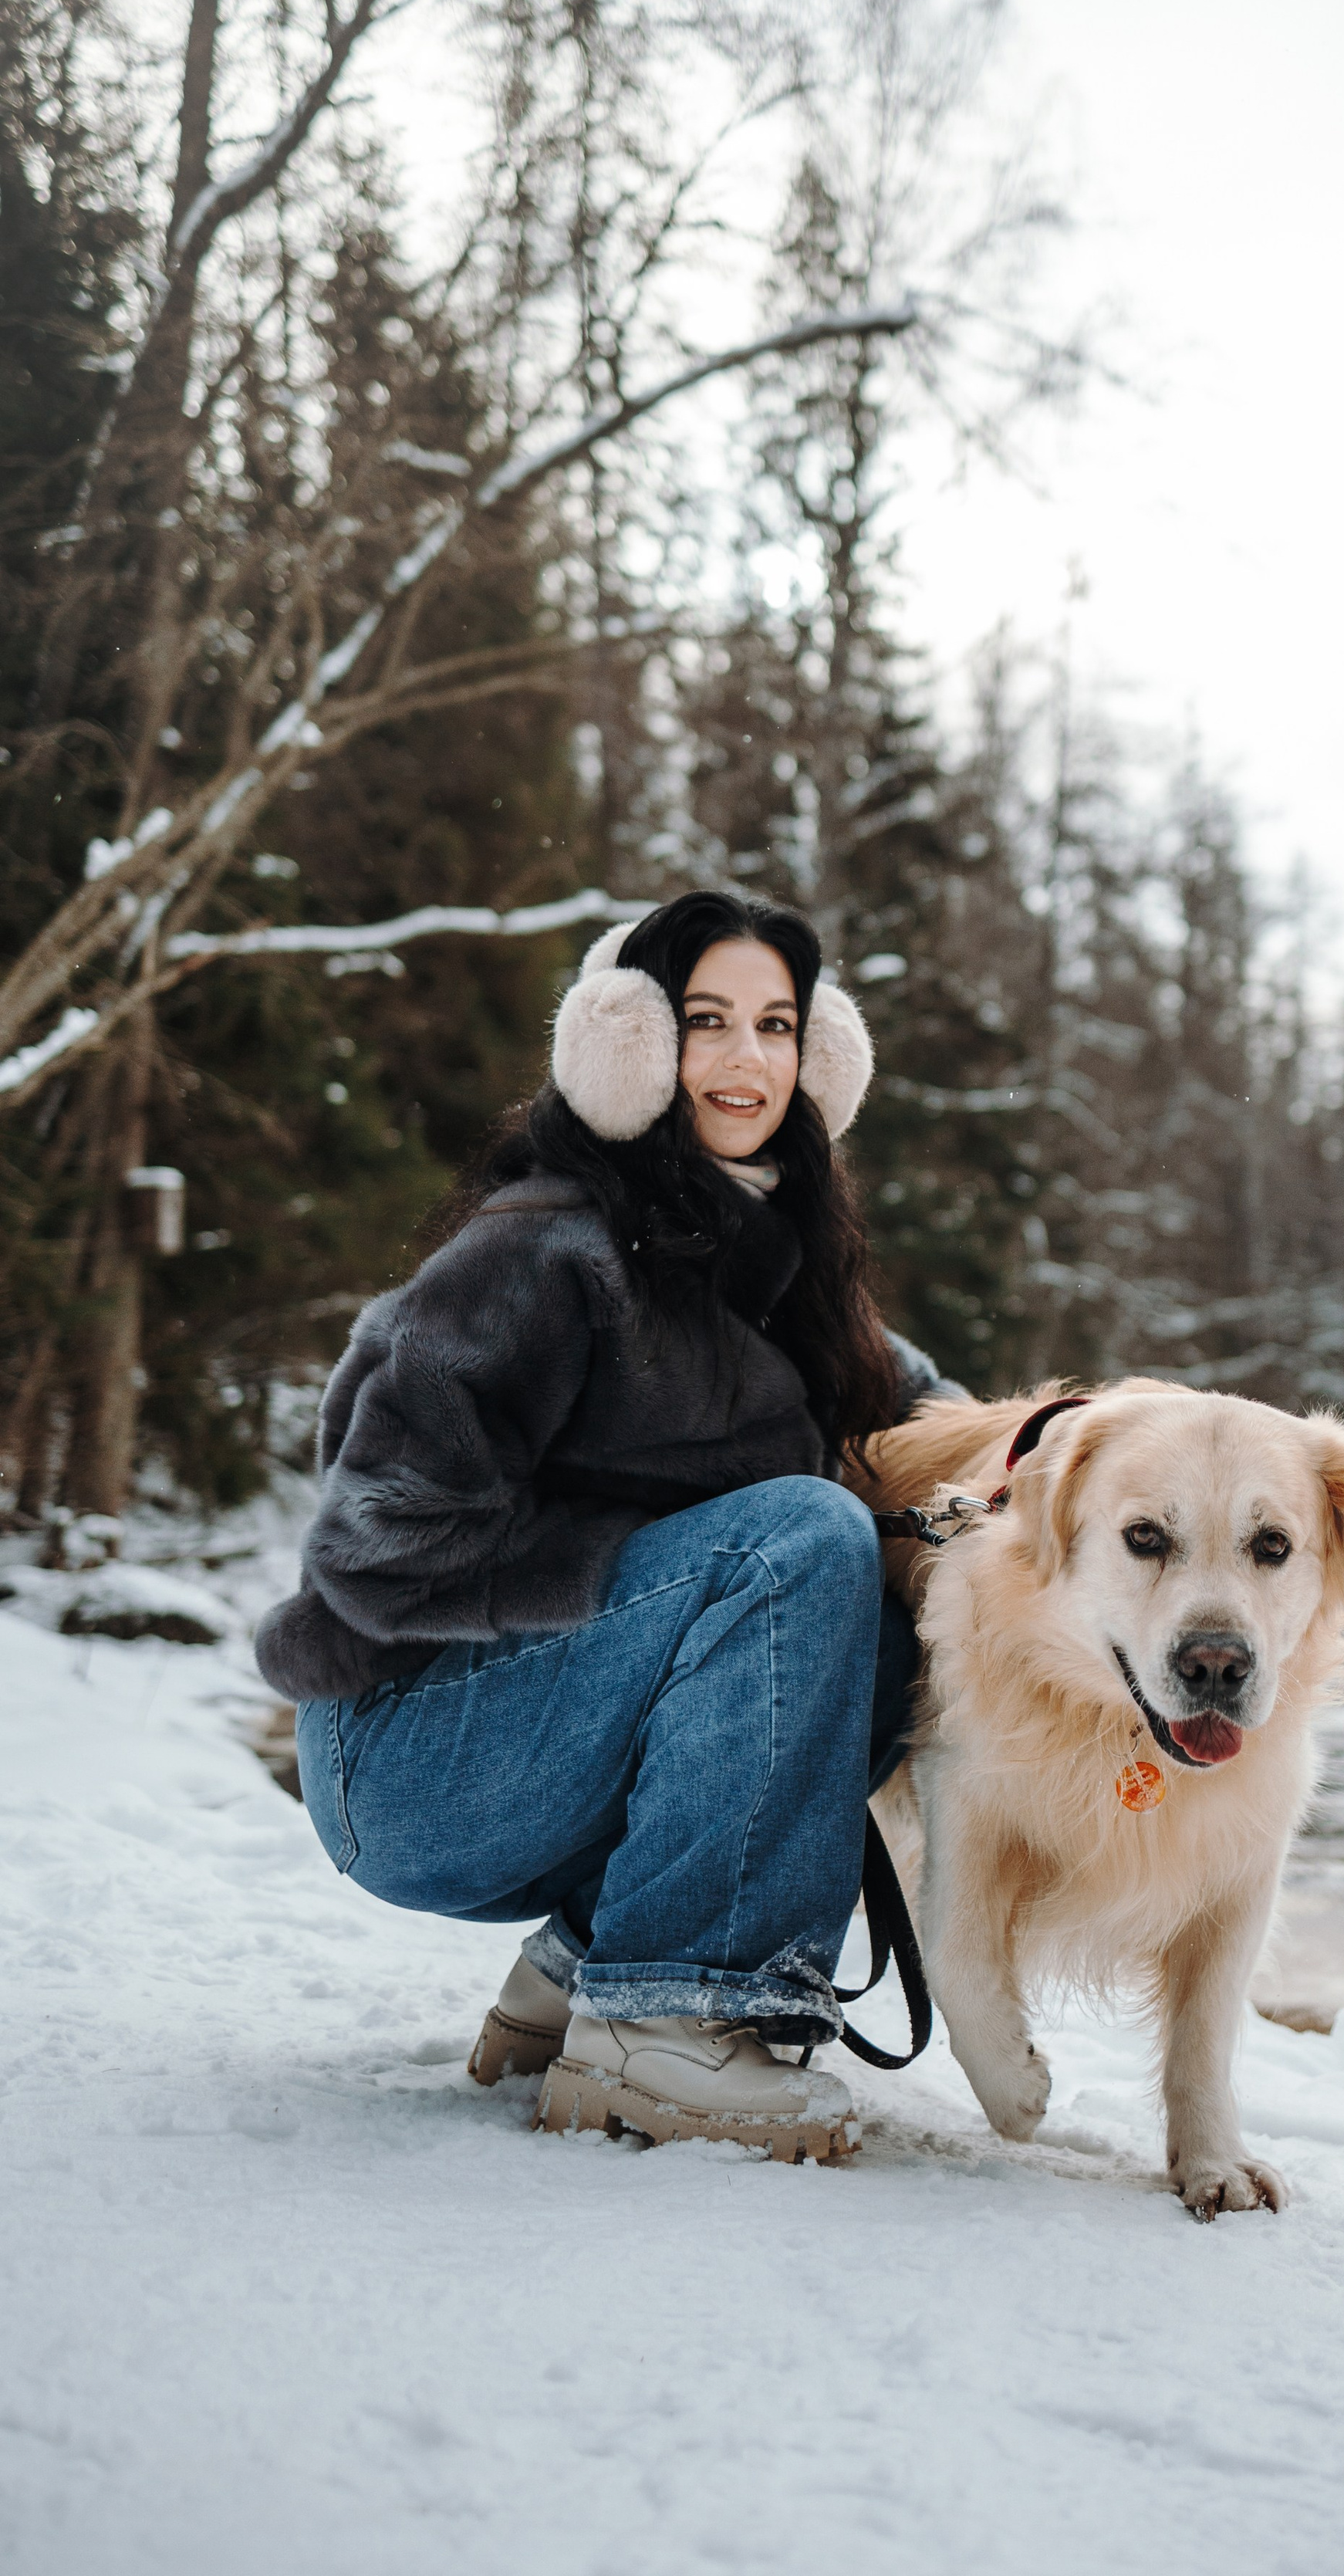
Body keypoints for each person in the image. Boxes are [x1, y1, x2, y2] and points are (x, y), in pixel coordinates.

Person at [254, 890, 957, 2163]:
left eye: (777, 1026)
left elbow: (928, 1415)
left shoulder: (781, 1272)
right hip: (404, 1752)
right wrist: (654, 1570)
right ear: (627, 1043)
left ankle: (587, 1964)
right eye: (705, 1022)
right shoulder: (538, 1249)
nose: (747, 1060)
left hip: (523, 1732)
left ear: (820, 1057)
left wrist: (1064, 1448)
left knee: (872, 1626)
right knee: (794, 1545)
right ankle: (668, 2020)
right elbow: (372, 1544)